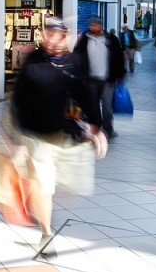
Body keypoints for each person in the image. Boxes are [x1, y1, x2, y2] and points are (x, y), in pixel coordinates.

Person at [7, 17, 106, 256]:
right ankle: (46, 233)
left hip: (62, 132)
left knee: (63, 184)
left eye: (57, 34)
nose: (51, 38)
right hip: (35, 133)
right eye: (47, 33)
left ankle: (40, 209)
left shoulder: (74, 62)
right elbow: (18, 99)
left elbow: (86, 94)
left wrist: (96, 126)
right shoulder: (33, 59)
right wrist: (17, 139)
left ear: (65, 36)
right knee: (43, 186)